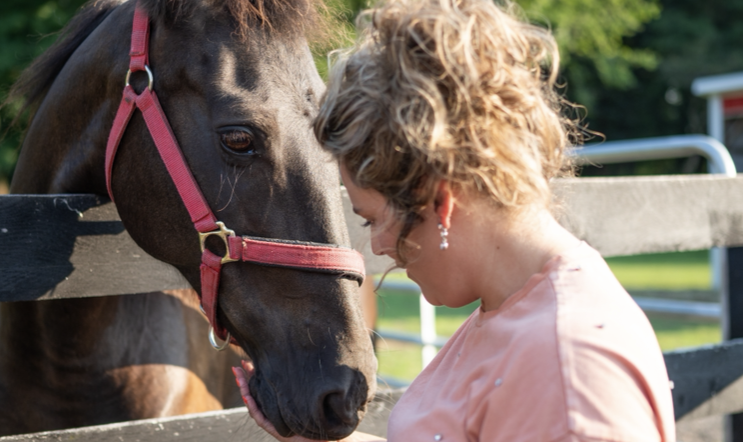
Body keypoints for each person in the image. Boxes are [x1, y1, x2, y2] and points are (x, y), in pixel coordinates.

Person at [232, 0, 677, 440]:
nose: (379, 247)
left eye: (371, 221)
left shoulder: (569, 369)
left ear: (439, 199)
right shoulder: (513, 308)